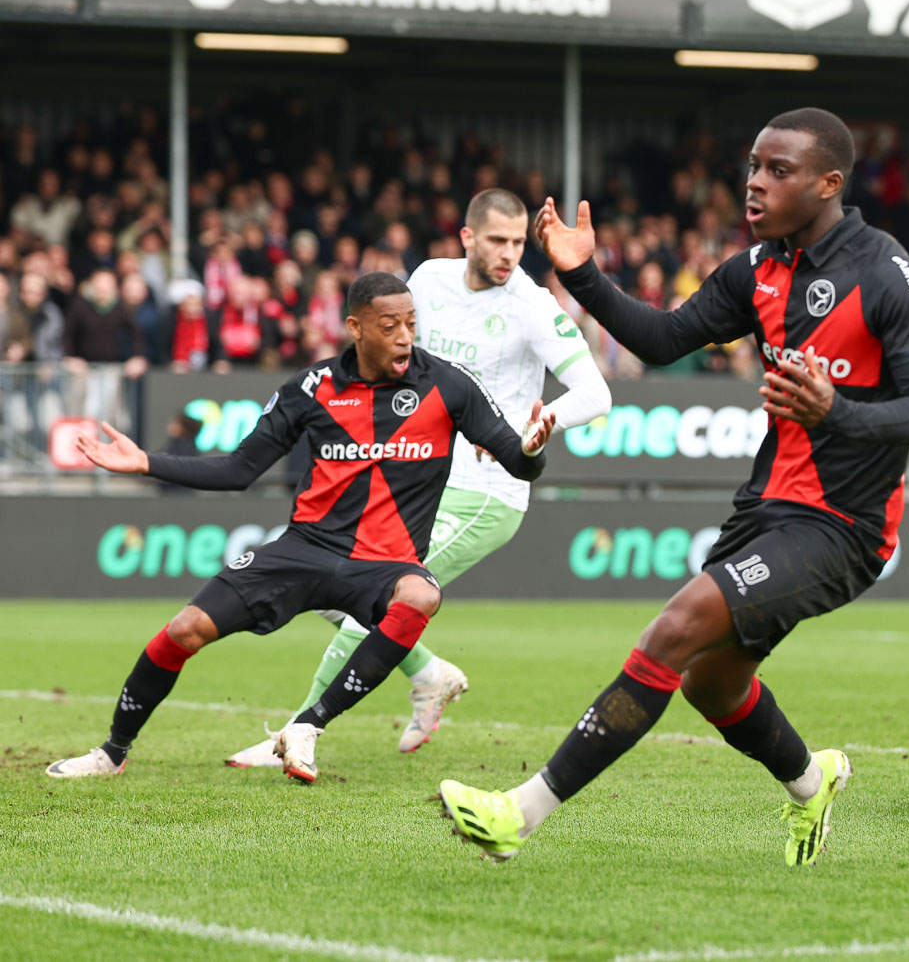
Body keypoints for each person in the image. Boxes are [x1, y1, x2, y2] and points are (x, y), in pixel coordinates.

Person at [437, 107, 909, 866]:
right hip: (764, 508)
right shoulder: (756, 271)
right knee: (713, 683)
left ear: (829, 183)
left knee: (672, 631)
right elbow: (661, 337)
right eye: (753, 166)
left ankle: (521, 812)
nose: (755, 183)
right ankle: (814, 783)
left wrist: (836, 409)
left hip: (843, 525)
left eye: (779, 170)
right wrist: (581, 273)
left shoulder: (890, 274)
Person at [45, 271, 555, 783]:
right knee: (184, 629)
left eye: (411, 323)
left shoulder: (450, 384)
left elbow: (518, 460)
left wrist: (532, 449)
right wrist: (147, 464)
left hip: (385, 563)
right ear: (355, 327)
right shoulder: (312, 387)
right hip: (304, 548)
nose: (405, 336)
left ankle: (308, 725)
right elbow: (239, 470)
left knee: (420, 595)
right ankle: (111, 753)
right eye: (390, 325)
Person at [225, 189, 612, 769]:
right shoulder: (429, 281)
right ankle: (429, 672)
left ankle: (298, 730)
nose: (510, 254)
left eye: (517, 243)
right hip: (417, 480)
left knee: (370, 605)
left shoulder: (531, 305)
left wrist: (536, 425)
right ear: (467, 238)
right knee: (337, 591)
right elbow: (392, 352)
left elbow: (597, 392)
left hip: (486, 492)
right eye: (498, 241)